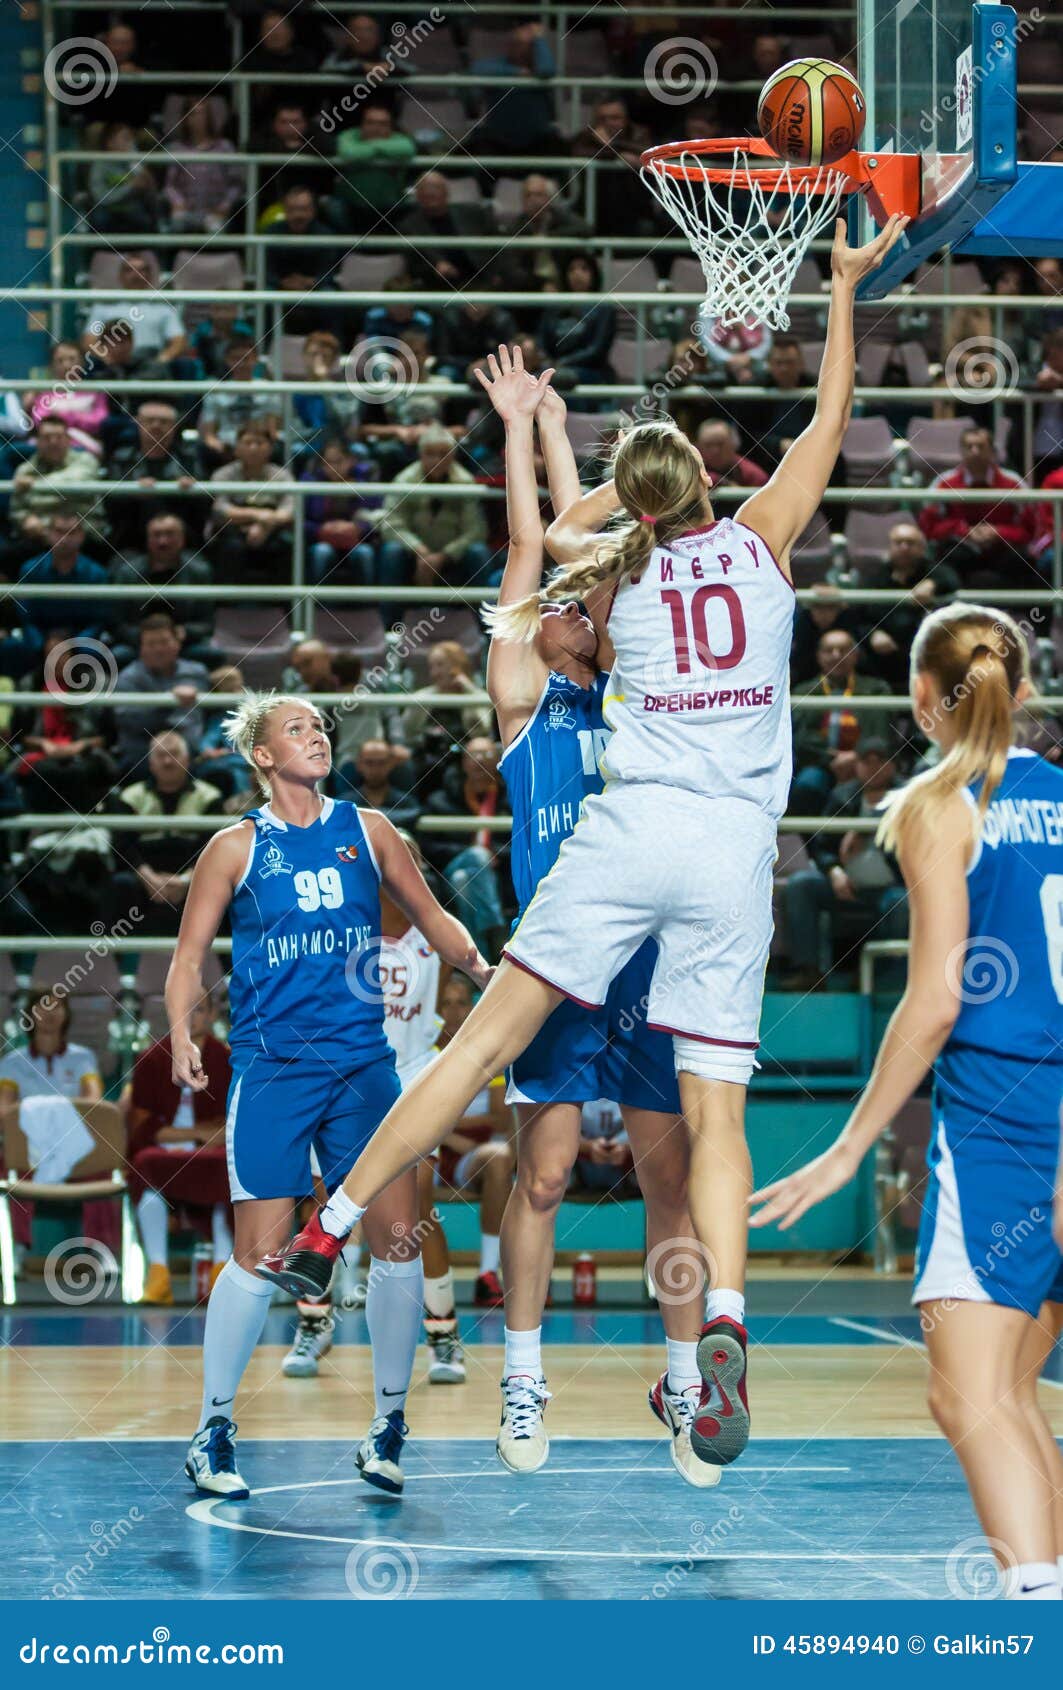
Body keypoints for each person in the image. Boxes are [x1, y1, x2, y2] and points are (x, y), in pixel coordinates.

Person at [256, 217, 909, 1483]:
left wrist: (583, 460)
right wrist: (836, 293)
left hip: (625, 837)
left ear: (639, 508)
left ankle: (333, 1224)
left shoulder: (607, 577)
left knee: (478, 1046)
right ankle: (720, 1323)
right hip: (731, 854)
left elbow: (555, 538)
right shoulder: (764, 540)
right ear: (712, 494)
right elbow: (833, 409)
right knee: (715, 1122)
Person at [751, 603, 1063, 1602]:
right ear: (1021, 693)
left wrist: (847, 1147)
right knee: (1010, 1391)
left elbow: (931, 1003)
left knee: (969, 1392)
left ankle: (1035, 1615)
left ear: (923, 701)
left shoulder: (940, 804)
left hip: (1003, 1125)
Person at [460, 348, 705, 1482]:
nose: (563, 604)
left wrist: (575, 444)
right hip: (559, 960)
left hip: (650, 954)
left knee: (670, 1178)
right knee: (545, 1176)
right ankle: (521, 1379)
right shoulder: (525, 698)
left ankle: (689, 1384)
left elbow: (610, 542)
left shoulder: (639, 683)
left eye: (578, 600)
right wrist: (521, 426)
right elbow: (535, 549)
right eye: (549, 606)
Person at [169, 692, 489, 1499]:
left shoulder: (370, 829)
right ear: (262, 756)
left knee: (397, 1243)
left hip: (363, 1069)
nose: (316, 736)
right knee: (260, 1255)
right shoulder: (233, 848)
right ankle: (212, 1430)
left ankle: (386, 1425)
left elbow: (432, 914)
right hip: (272, 1069)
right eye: (296, 728)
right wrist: (180, 1031)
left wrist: (484, 973)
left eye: (320, 726)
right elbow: (187, 957)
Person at [127, 994, 232, 1306]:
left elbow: (232, 1125)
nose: (192, 1016)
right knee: (144, 1164)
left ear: (213, 1014)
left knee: (228, 1169)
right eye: (185, 1008)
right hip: (165, 1150)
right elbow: (145, 1129)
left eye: (199, 1008)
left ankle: (221, 1270)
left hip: (211, 1153)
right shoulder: (151, 1058)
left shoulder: (227, 1060)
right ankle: (158, 1272)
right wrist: (197, 1133)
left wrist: (205, 1135)